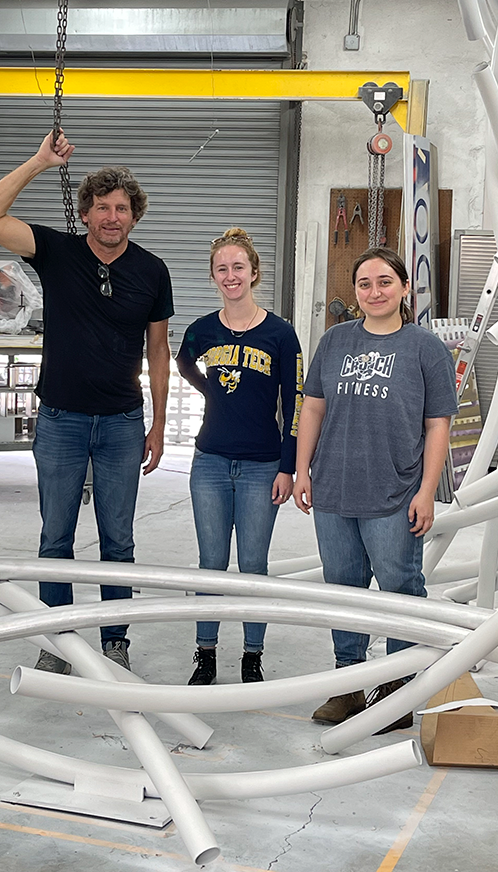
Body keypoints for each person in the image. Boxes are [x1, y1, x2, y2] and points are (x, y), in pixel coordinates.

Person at [0, 130, 174, 673]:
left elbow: (158, 350)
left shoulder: (152, 271)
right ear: (85, 213)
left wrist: (157, 423)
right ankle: (55, 640)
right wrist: (39, 161)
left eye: (122, 208)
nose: (112, 216)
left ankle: (114, 640)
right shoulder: (55, 252)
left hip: (122, 423)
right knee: (55, 536)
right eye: (102, 207)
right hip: (60, 419)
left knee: (118, 539)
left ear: (135, 216)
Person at [293, 246, 457, 730]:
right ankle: (348, 685)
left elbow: (438, 425)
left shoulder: (424, 347)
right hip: (334, 490)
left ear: (405, 288)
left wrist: (426, 491)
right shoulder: (335, 340)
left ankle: (397, 687)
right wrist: (304, 470)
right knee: (342, 591)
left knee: (399, 589)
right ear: (356, 292)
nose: (374, 291)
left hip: (395, 493)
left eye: (385, 281)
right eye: (365, 283)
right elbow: (314, 408)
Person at [176, 227, 303, 685]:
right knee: (211, 563)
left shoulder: (281, 334)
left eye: (238, 268)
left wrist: (289, 466)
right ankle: (205, 654)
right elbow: (183, 360)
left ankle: (252, 655)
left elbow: (296, 403)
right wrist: (207, 388)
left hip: (261, 465)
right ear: (214, 276)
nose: (231, 276)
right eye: (222, 269)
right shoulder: (203, 330)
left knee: (253, 565)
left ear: (254, 273)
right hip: (209, 462)